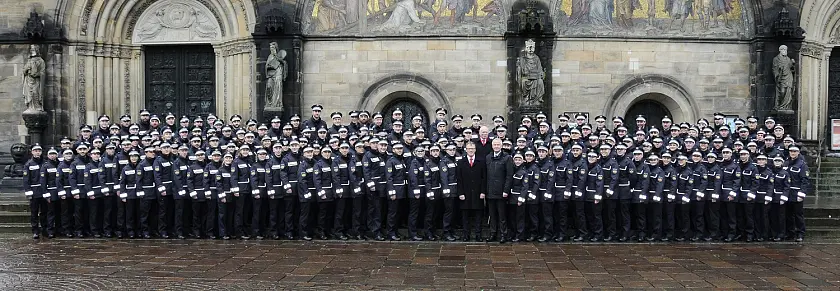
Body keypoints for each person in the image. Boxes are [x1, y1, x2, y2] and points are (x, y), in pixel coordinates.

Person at [457, 142, 487, 242]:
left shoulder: (481, 161)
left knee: (478, 216)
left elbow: (484, 178)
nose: (470, 150)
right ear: (466, 149)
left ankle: (478, 235)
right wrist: (460, 193)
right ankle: (466, 235)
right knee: (465, 216)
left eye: (472, 148)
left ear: (475, 149)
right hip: (465, 193)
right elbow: (459, 179)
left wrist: (483, 192)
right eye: (469, 148)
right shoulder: (461, 162)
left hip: (478, 193)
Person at [486, 138, 513, 243]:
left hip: (502, 192)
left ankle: (503, 234)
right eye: (494, 144)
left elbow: (509, 176)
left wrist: (506, 190)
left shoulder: (507, 158)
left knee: (502, 215)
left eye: (498, 144)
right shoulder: (488, 157)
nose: (496, 146)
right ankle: (493, 233)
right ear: (492, 146)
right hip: (490, 191)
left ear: (501, 146)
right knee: (492, 215)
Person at [24, 144, 46, 239]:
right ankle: (35, 230)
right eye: (35, 150)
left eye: (39, 150)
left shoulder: (45, 163)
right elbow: (26, 179)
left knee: (44, 211)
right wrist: (28, 191)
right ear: (32, 152)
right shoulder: (28, 164)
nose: (37, 152)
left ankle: (44, 229)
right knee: (34, 212)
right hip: (34, 191)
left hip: (44, 191)